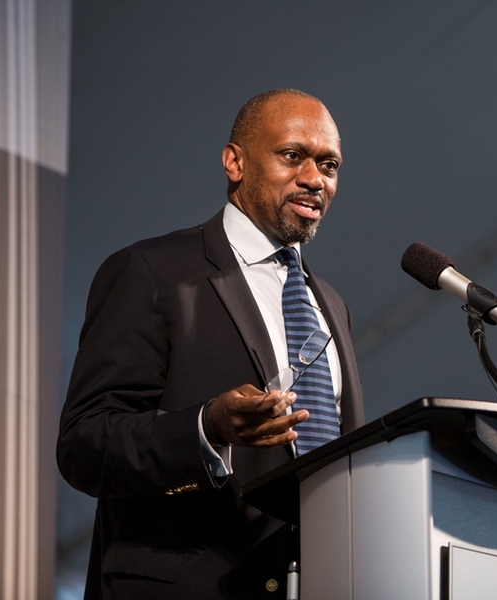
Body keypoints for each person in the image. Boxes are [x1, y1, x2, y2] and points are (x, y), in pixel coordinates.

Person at [57, 89, 365, 600]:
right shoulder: (153, 272)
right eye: (293, 156)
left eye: (328, 165)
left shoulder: (329, 303)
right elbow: (85, 445)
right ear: (235, 161)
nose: (315, 179)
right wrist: (206, 429)